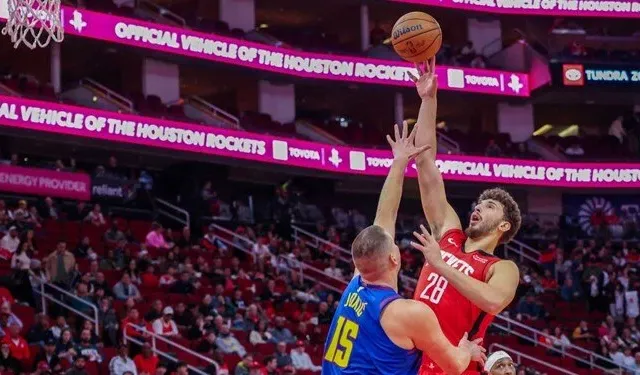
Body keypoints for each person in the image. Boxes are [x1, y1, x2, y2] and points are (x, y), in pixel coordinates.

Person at [322, 122, 484, 375]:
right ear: (395, 258)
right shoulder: (409, 313)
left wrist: (399, 162)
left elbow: (384, 217)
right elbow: (454, 366)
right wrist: (466, 350)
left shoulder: (355, 284)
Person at [409, 59, 521, 375]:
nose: (478, 207)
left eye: (489, 207)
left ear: (503, 225)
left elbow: (493, 301)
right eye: (480, 203)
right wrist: (428, 100)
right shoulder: (449, 234)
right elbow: (425, 162)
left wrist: (442, 265)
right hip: (410, 356)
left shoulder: (502, 268)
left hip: (451, 365)